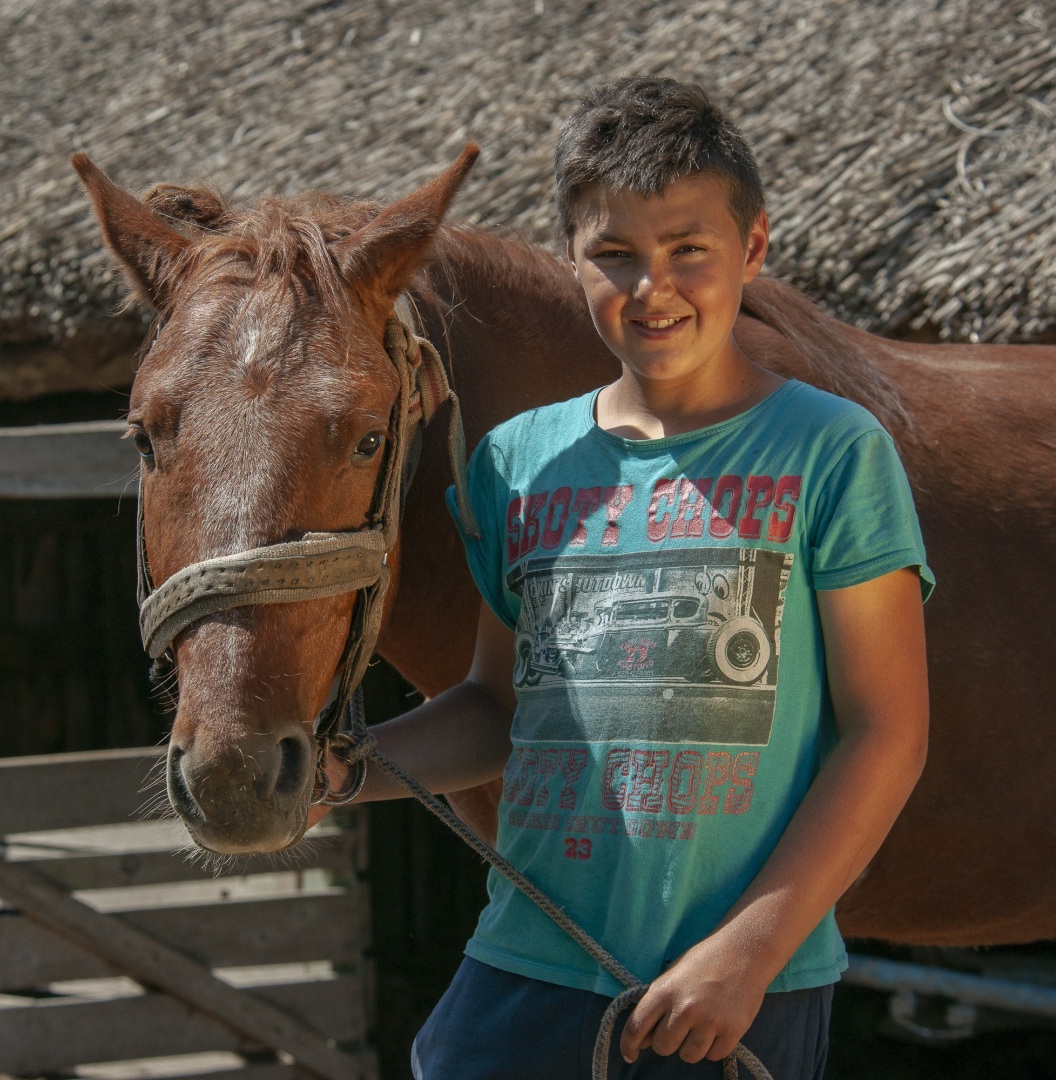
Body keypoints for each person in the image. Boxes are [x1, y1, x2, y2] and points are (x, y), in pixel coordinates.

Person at [314, 76, 933, 1079]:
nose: (652, 286)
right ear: (572, 260)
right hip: (523, 971)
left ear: (755, 249)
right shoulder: (518, 463)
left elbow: (887, 731)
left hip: (730, 997)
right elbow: (494, 705)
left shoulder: (830, 453)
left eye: (689, 249)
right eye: (614, 254)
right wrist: (341, 772)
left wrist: (748, 953)